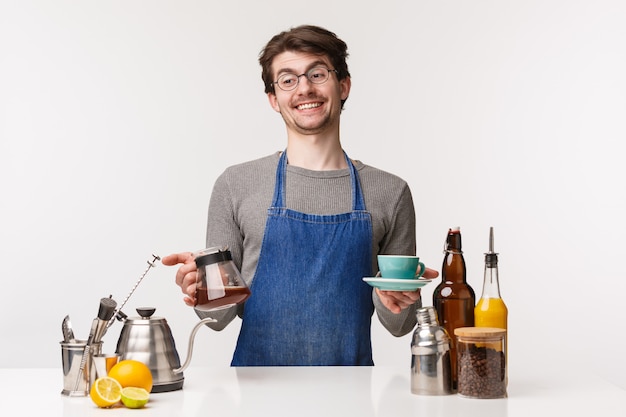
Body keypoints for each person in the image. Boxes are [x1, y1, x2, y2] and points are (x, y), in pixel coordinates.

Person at [162, 24, 438, 366]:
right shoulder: (236, 184)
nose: (304, 88)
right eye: (288, 79)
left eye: (317, 74)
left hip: (350, 393)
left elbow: (400, 325)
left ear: (344, 86)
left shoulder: (390, 192)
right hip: (256, 393)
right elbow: (217, 319)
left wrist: (396, 296)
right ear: (273, 99)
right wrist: (197, 289)